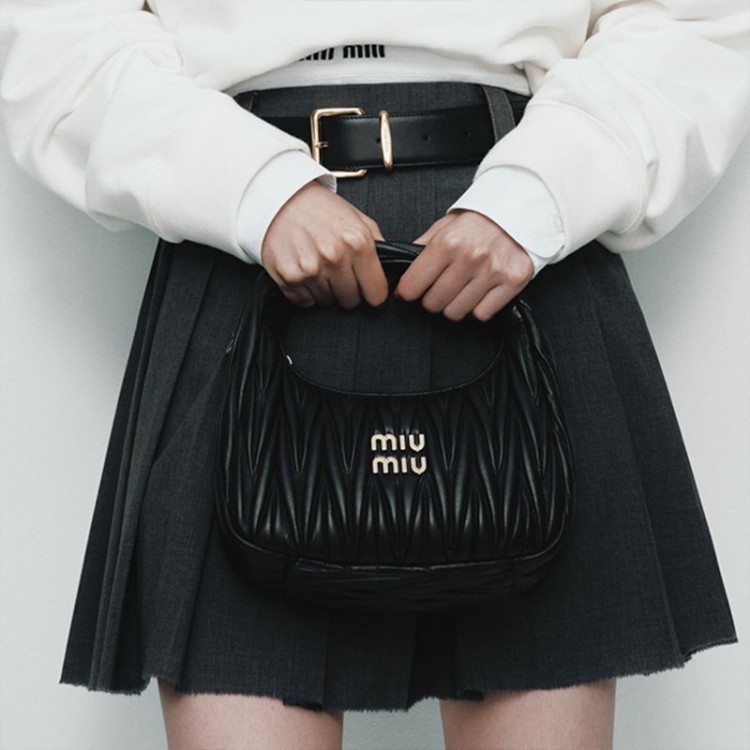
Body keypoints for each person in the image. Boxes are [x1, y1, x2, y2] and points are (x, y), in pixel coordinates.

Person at [0, 2, 747, 749]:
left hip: (520, 242)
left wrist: (540, 192)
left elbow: (692, 21)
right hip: (239, 238)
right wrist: (249, 186)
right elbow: (60, 33)